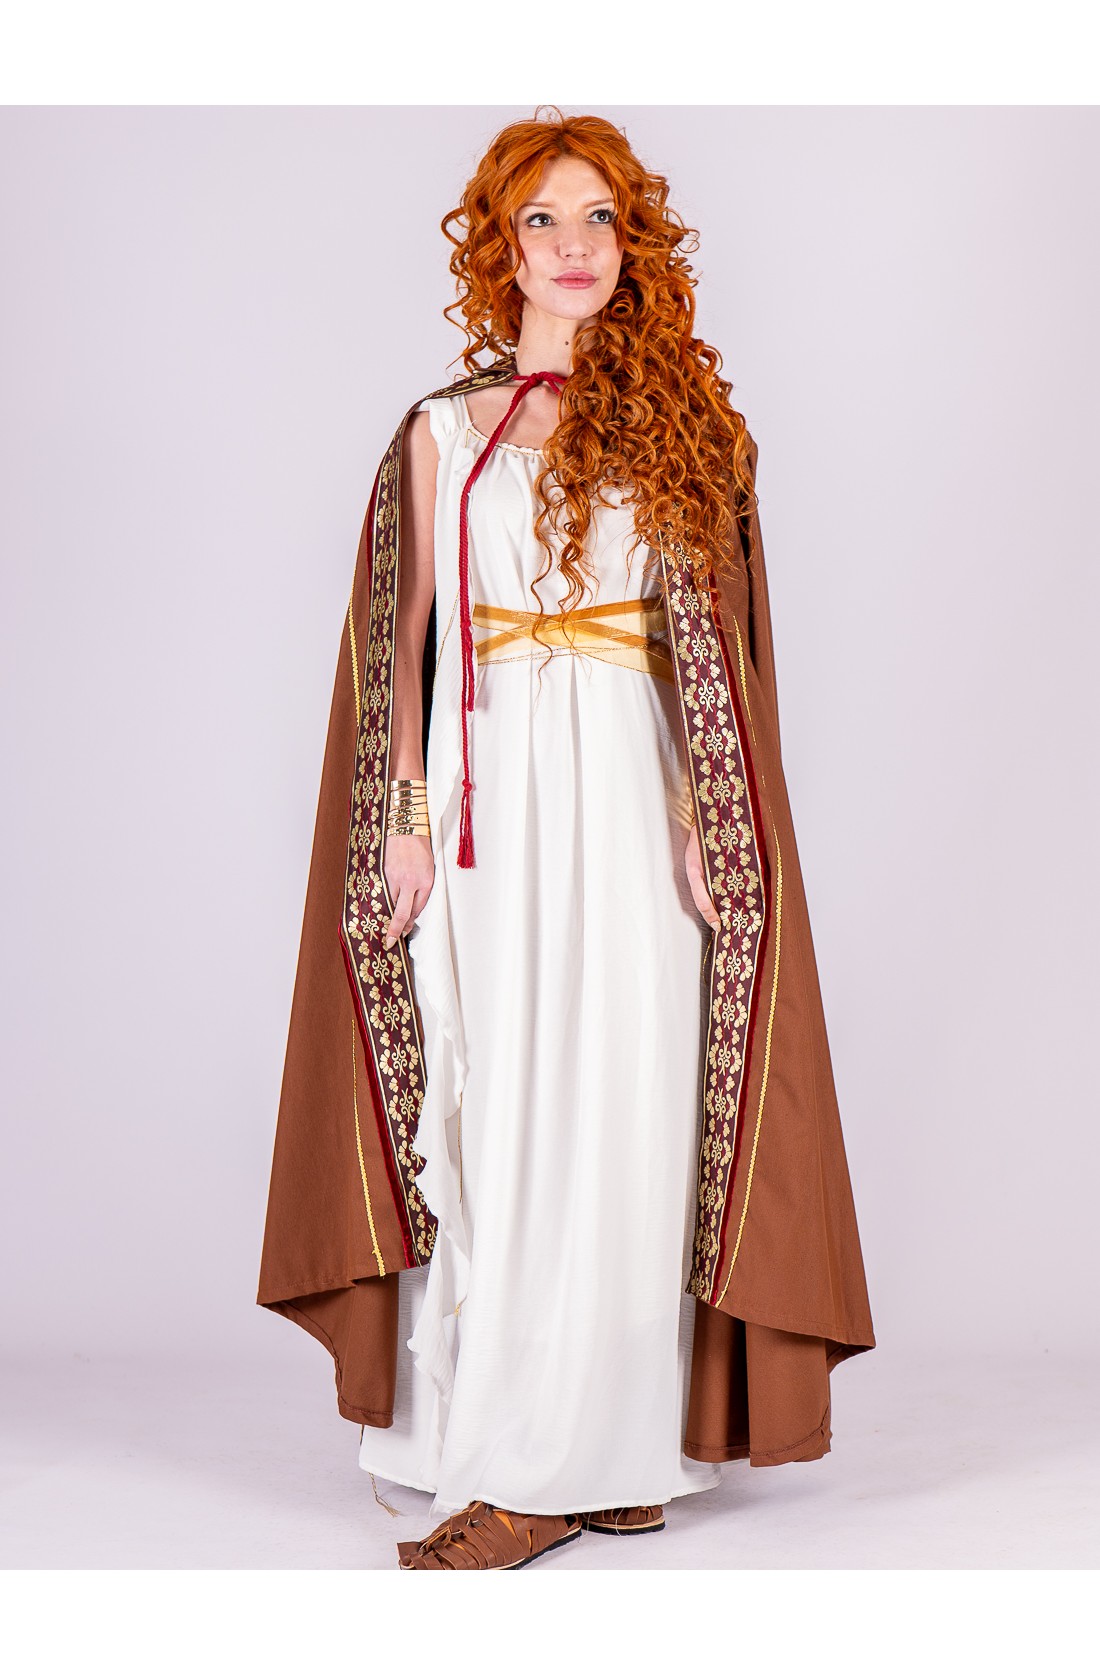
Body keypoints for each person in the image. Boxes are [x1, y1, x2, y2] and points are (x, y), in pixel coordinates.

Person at [257, 109, 875, 1573]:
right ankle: (524, 1444)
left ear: (633, 245)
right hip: (489, 805)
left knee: (626, 1105)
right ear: (502, 247)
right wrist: (404, 822)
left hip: (627, 791)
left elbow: (713, 658)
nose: (575, 246)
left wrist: (702, 823)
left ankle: (598, 1453)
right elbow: (401, 649)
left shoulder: (683, 431)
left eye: (600, 218)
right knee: (509, 1103)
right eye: (543, 219)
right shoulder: (441, 432)